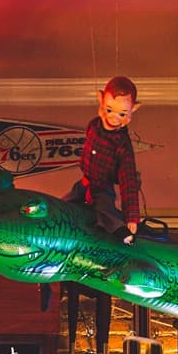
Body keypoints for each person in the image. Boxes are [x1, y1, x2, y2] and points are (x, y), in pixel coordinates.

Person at [66, 76, 145, 241]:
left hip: (103, 187)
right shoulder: (94, 125)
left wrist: (131, 216)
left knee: (105, 209)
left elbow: (128, 179)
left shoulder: (123, 145)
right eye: (109, 110)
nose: (114, 118)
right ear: (100, 101)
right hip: (85, 182)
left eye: (122, 114)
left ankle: (123, 235)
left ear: (133, 110)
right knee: (65, 203)